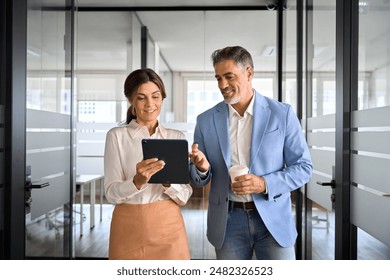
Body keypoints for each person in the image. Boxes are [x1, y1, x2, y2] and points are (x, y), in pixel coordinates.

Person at [188, 46, 313, 260]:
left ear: (249, 73)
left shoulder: (282, 114)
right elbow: (198, 179)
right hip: (227, 222)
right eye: (218, 78)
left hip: (273, 219)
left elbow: (303, 168)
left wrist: (264, 183)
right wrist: (200, 168)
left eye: (229, 76)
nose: (223, 85)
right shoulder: (205, 120)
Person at [104, 68, 193, 260]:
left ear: (162, 98)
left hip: (169, 227)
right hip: (128, 228)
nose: (150, 104)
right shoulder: (116, 136)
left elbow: (184, 196)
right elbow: (111, 193)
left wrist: (169, 183)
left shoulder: (176, 137)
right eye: (141, 97)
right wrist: (136, 181)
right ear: (131, 100)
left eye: (156, 96)